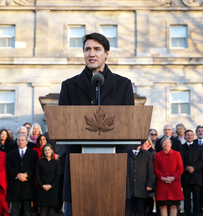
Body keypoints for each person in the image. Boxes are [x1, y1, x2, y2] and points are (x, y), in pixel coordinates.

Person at [58, 32, 134, 216]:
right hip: (78, 170)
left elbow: (130, 126)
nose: (91, 54)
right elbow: (61, 127)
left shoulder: (123, 85)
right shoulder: (69, 85)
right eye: (87, 49)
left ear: (106, 53)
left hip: (113, 170)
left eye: (97, 49)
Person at [6, 133, 38, 216]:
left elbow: (35, 166)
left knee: (27, 210)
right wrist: (17, 175)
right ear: (16, 142)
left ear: (27, 142)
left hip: (27, 185)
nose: (21, 142)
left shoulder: (33, 153)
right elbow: (8, 167)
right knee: (15, 210)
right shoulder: (10, 153)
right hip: (15, 184)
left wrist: (27, 175)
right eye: (19, 140)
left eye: (23, 140)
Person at [154, 138, 184, 216]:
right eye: (164, 143)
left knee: (174, 205)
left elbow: (180, 168)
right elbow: (155, 168)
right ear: (161, 145)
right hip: (162, 184)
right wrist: (162, 178)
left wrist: (173, 177)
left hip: (174, 183)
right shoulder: (157, 155)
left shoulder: (177, 154)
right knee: (163, 205)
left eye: (168, 143)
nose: (166, 144)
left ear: (171, 144)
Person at [125, 140, 153, 216]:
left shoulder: (147, 155)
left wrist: (149, 185)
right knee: (127, 211)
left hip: (141, 188)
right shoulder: (125, 153)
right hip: (127, 188)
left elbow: (150, 171)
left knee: (140, 211)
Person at [181, 130, 203, 216]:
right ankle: (188, 214)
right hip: (186, 177)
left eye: (191, 135)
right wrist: (186, 167)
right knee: (186, 198)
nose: (190, 136)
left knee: (197, 199)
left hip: (196, 177)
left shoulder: (199, 147)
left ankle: (196, 214)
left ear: (193, 136)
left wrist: (194, 167)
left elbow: (202, 160)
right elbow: (180, 160)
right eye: (188, 135)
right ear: (185, 136)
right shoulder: (181, 147)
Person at [35, 144, 61, 216]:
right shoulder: (39, 161)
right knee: (43, 208)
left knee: (51, 208)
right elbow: (37, 174)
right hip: (41, 188)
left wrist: (51, 185)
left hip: (53, 188)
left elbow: (57, 176)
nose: (47, 152)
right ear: (43, 152)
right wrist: (42, 185)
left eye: (48, 150)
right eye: (45, 150)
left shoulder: (56, 163)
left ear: (52, 151)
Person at [141, 137, 157, 216]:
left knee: (149, 198)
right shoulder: (138, 151)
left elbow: (154, 167)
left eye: (146, 141)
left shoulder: (153, 152)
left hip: (150, 178)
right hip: (140, 178)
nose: (144, 142)